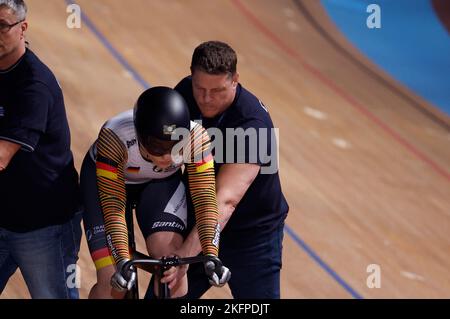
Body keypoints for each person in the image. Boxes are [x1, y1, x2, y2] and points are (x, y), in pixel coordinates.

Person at [159, 41, 289, 299]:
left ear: (235, 81)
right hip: (199, 221)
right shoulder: (185, 93)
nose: (206, 99)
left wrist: (184, 256)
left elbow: (224, 201)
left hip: (252, 236)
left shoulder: (254, 125)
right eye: (200, 88)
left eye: (217, 90)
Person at [81, 86, 230, 299]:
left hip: (158, 184)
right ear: (140, 135)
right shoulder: (114, 136)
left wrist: (211, 255)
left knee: (175, 275)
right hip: (107, 185)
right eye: (158, 147)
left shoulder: (197, 139)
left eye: (175, 146)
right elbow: (113, 207)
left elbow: (206, 201)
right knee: (112, 283)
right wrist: (123, 260)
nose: (167, 157)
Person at [0, 0, 82, 299]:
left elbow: (1, 157)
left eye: (2, 26)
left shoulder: (34, 86)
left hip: (44, 226)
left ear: (23, 28)